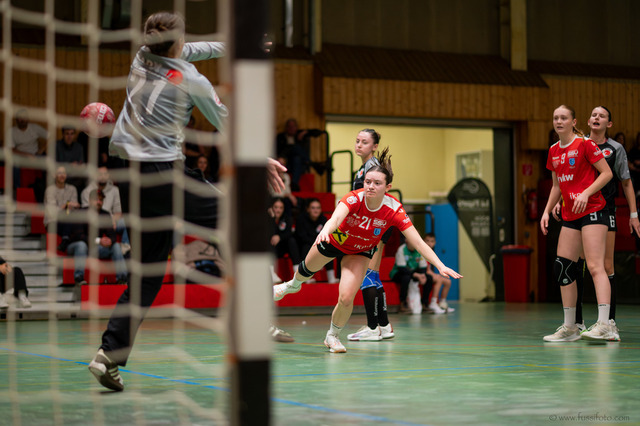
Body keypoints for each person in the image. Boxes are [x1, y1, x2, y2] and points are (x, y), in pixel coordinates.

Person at [87, 11, 229, 392]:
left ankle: (108, 355)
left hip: (125, 170)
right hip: (162, 170)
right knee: (232, 217)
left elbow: (191, 49)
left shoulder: (141, 56)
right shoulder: (193, 80)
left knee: (147, 272)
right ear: (178, 43)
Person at [273, 148, 461, 352]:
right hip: (334, 241)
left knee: (346, 298)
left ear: (388, 187)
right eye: (368, 181)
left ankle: (332, 336)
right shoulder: (354, 198)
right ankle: (292, 285)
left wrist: (440, 265)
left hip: (360, 251)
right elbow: (336, 218)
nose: (370, 186)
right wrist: (325, 231)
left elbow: (418, 242)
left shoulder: (394, 210)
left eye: (377, 183)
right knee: (305, 272)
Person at [554, 107, 639, 341]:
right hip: (577, 212)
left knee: (603, 265)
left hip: (603, 211)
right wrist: (560, 202)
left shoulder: (615, 149)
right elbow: (565, 180)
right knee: (573, 265)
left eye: (601, 116)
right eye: (593, 115)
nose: (596, 118)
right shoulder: (578, 144)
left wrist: (633, 214)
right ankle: (576, 322)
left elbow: (626, 182)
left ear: (609, 124)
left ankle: (608, 322)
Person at [540, 105, 614, 342]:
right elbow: (556, 185)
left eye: (564, 118)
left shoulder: (585, 144)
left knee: (594, 266)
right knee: (562, 267)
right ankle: (570, 327)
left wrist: (585, 193)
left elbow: (607, 174)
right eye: (556, 118)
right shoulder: (553, 150)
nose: (559, 121)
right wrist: (546, 210)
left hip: (593, 210)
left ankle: (605, 324)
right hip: (570, 215)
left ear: (573, 122)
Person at [345, 129, 396, 341]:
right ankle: (384, 325)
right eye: (357, 141)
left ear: (374, 146)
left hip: (375, 226)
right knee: (373, 275)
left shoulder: (372, 169)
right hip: (376, 225)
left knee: (367, 274)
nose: (359, 145)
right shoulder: (365, 167)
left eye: (364, 142)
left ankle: (373, 328)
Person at [65, 189, 128, 286]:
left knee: (115, 246)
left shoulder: (105, 214)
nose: (99, 202)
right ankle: (79, 278)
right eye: (96, 199)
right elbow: (79, 236)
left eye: (101, 200)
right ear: (90, 200)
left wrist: (109, 240)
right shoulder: (80, 212)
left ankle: (122, 278)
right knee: (81, 245)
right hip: (75, 246)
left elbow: (113, 235)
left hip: (94, 248)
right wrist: (99, 240)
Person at [295, 198, 337, 283]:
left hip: (318, 243)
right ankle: (305, 278)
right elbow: (302, 237)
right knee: (306, 247)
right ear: (308, 209)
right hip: (303, 245)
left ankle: (331, 277)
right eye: (313, 208)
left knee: (329, 246)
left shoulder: (323, 219)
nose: (316, 210)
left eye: (318, 208)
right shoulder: (301, 219)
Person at [44, 166, 81, 251]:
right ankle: (66, 240)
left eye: (64, 173)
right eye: (59, 173)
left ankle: (66, 240)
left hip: (69, 219)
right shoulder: (50, 190)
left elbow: (74, 208)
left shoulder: (72, 189)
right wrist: (66, 205)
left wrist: (73, 206)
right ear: (54, 175)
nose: (62, 175)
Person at [389, 237, 429, 314]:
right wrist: (416, 275)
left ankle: (425, 304)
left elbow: (423, 267)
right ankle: (403, 304)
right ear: (406, 241)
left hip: (414, 273)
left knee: (429, 278)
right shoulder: (402, 249)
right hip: (398, 272)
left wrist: (423, 276)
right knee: (406, 278)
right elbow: (402, 268)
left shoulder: (419, 250)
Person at [269, 198, 301, 282]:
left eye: (281, 208)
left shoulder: (287, 218)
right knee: (271, 241)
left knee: (292, 241)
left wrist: (279, 237)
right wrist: (272, 218)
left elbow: (289, 233)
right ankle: (272, 274)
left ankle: (297, 273)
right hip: (271, 248)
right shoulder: (267, 218)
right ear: (272, 208)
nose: (278, 210)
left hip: (283, 247)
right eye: (276, 207)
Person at [275, 118, 312, 191]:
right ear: (286, 128)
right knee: (295, 148)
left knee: (297, 157)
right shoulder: (280, 137)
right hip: (285, 163)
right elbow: (279, 152)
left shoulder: (300, 137)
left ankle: (294, 184)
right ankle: (311, 163)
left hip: (298, 165)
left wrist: (305, 132)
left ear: (296, 127)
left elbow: (316, 132)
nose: (291, 128)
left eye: (293, 126)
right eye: (289, 126)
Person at [423, 233, 454, 314]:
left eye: (432, 241)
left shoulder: (431, 252)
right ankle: (433, 303)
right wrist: (435, 275)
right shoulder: (422, 251)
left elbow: (429, 268)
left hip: (428, 273)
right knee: (439, 279)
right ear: (423, 241)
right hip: (422, 273)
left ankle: (442, 303)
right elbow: (425, 269)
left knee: (448, 281)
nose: (429, 243)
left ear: (435, 243)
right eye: (427, 241)